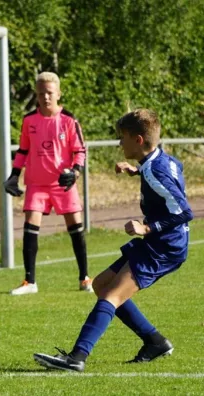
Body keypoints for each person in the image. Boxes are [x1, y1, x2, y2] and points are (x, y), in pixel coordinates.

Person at [33, 108, 193, 372]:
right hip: (163, 243)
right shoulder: (161, 162)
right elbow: (171, 175)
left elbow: (184, 211)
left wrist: (147, 228)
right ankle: (155, 341)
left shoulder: (156, 170)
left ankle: (77, 357)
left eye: (123, 137)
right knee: (101, 284)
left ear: (138, 140)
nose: (120, 143)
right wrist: (136, 171)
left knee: (112, 295)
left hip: (164, 247)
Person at [4, 71, 91, 295]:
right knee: (30, 227)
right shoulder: (29, 120)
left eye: (50, 93)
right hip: (36, 184)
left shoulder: (69, 120)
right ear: (37, 94)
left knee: (76, 229)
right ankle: (29, 282)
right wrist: (14, 175)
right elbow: (23, 150)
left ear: (58, 93)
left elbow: (79, 151)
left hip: (63, 185)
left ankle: (84, 278)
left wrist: (75, 172)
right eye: (41, 93)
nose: (46, 97)